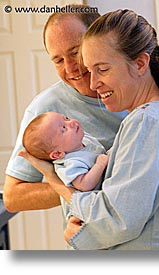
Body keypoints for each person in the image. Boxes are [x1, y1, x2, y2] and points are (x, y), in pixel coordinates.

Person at [19, 9, 159, 250]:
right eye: (91, 68)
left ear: (140, 63)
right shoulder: (156, 114)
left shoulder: (146, 121)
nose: (93, 82)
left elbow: (117, 220)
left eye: (103, 69)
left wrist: (59, 185)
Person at [3, 5, 127, 212]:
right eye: (58, 60)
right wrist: (82, 183)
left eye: (76, 52)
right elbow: (13, 197)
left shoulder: (139, 89)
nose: (70, 68)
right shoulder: (45, 111)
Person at [22, 112, 108, 192]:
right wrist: (99, 165)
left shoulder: (82, 139)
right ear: (57, 154)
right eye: (64, 128)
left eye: (66, 119)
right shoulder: (70, 163)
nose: (72, 122)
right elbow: (84, 185)